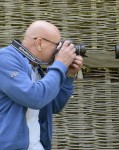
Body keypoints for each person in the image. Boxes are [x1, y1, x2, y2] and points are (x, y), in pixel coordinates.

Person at [0, 20, 83, 150]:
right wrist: (60, 64)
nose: (59, 51)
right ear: (39, 42)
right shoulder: (5, 59)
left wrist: (68, 76)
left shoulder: (35, 67)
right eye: (57, 45)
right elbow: (34, 97)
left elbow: (54, 105)